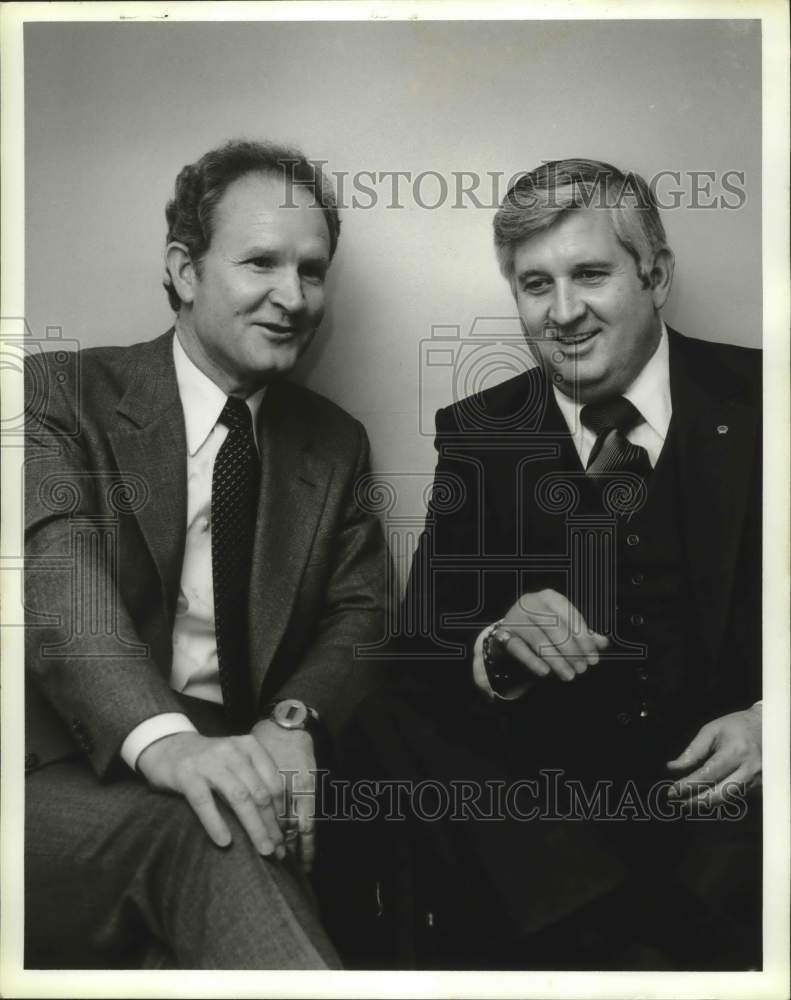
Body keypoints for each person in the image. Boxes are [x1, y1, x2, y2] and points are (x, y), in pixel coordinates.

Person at [345, 159, 762, 970]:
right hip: (549, 828)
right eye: (535, 285)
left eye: (590, 274)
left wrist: (772, 721)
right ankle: (615, 942)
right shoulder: (479, 430)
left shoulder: (765, 397)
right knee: (381, 721)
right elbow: (418, 650)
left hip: (732, 804)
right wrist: (496, 645)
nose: (563, 313)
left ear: (657, 274)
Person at [24, 139, 388, 969]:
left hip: (250, 756)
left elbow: (359, 618)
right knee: (211, 825)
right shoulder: (51, 396)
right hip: (53, 776)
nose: (292, 298)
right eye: (260, 262)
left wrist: (294, 724)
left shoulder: (333, 445)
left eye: (312, 269)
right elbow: (60, 586)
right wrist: (176, 746)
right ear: (185, 270)